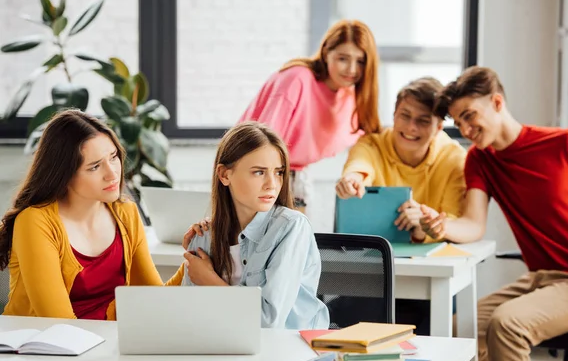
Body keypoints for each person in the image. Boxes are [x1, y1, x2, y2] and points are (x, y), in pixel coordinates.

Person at [419, 66, 568, 361]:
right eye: (458, 121)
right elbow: (474, 224)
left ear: (497, 103)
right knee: (460, 326)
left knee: (507, 324)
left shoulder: (567, 144)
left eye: (469, 115)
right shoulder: (480, 159)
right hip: (543, 278)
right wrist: (442, 225)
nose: (465, 129)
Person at [0, 110, 178, 321]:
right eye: (94, 167)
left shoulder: (125, 212)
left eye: (113, 157)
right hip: (42, 348)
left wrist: (195, 258)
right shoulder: (35, 221)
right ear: (64, 174)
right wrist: (123, 315)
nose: (112, 173)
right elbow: (58, 322)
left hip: (109, 342)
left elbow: (152, 296)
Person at [333, 77, 467, 333]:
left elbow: (452, 219)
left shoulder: (455, 159)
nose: (410, 127)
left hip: (428, 278)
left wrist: (423, 228)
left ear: (439, 127)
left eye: (423, 120)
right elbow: (360, 167)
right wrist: (352, 180)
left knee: (429, 332)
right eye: (404, 116)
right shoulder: (372, 143)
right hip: (370, 274)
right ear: (393, 115)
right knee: (338, 317)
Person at [173, 121, 329, 330]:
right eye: (258, 172)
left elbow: (268, 321)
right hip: (221, 348)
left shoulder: (291, 228)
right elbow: (187, 317)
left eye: (278, 172)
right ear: (224, 175)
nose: (272, 184)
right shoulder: (203, 234)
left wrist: (211, 282)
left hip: (286, 351)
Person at [239, 19, 381, 213]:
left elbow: (368, 139)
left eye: (360, 61)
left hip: (296, 176)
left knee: (295, 241)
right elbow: (261, 143)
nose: (352, 69)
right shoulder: (297, 78)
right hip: (259, 172)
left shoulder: (350, 95)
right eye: (342, 59)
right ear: (326, 54)